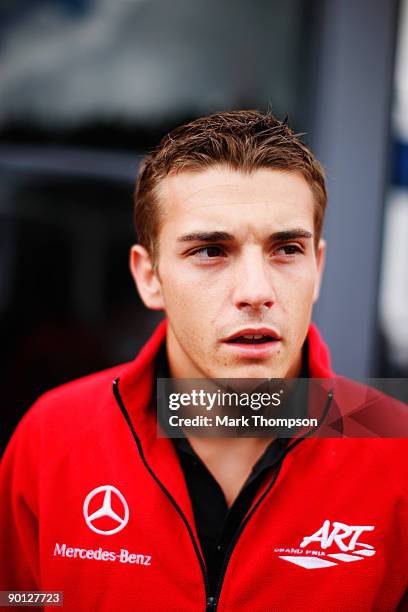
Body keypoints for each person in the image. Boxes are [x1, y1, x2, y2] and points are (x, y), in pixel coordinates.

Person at [0, 110, 406, 611]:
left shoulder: (396, 444)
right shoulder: (53, 436)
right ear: (149, 276)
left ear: (317, 268)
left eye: (286, 249)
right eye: (212, 251)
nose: (256, 292)